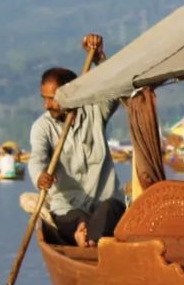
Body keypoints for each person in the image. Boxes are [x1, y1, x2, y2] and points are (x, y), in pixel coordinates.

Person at [28, 34, 125, 248]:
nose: (47, 105)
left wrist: (100, 57)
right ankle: (84, 233)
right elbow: (37, 158)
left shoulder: (95, 111)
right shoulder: (42, 127)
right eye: (44, 98)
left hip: (103, 203)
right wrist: (40, 177)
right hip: (68, 208)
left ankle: (88, 240)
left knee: (112, 208)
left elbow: (114, 89)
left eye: (52, 98)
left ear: (70, 92)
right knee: (74, 218)